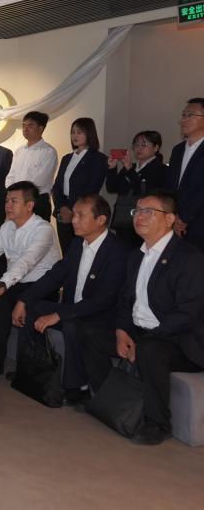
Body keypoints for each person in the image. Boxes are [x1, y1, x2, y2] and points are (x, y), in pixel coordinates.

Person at [80, 190, 204, 445]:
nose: (139, 216)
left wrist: (146, 338)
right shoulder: (136, 255)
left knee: (150, 350)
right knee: (88, 332)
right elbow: (126, 300)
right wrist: (121, 331)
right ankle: (109, 400)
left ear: (170, 219)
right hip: (140, 332)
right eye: (137, 211)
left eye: (149, 211)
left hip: (179, 340)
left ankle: (158, 423)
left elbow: (187, 314)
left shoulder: (189, 258)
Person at [11, 194, 127, 404]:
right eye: (74, 215)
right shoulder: (77, 244)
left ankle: (77, 387)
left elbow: (103, 300)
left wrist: (60, 314)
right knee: (32, 307)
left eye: (81, 216)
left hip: (100, 317)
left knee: (72, 324)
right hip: (72, 309)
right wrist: (24, 299)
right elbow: (55, 276)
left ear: (101, 220)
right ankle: (33, 370)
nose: (73, 220)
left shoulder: (117, 251)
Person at [0, 181, 61, 374]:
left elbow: (26, 262)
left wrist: (2, 285)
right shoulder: (7, 227)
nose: (7, 205)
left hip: (42, 285)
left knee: (3, 300)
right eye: (7, 200)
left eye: (14, 201)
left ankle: (11, 365)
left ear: (29, 205)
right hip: (17, 282)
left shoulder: (43, 229)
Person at [52, 117, 108, 252]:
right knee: (66, 251)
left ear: (89, 133)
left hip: (83, 212)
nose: (75, 136)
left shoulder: (98, 158)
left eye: (79, 132)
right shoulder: (67, 158)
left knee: (81, 251)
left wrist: (73, 210)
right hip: (63, 213)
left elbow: (93, 188)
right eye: (73, 132)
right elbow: (57, 186)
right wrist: (62, 207)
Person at [105, 130, 167, 248]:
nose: (139, 148)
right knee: (122, 251)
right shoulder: (131, 166)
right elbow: (112, 188)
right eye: (136, 145)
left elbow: (145, 192)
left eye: (144, 145)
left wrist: (129, 170)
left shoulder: (161, 169)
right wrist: (112, 168)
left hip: (145, 219)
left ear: (156, 148)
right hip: (123, 217)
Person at [6, 111, 58, 221]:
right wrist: (12, 194)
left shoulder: (48, 151)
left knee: (37, 231)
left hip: (37, 201)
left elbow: (41, 180)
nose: (25, 129)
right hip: (17, 201)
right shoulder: (19, 151)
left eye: (30, 126)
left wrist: (20, 194)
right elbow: (11, 175)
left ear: (40, 128)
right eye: (23, 125)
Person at [168, 98, 204, 251]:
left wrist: (184, 217)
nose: (183, 120)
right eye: (183, 115)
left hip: (199, 224)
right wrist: (173, 215)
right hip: (174, 222)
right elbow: (171, 186)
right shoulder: (177, 150)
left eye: (190, 115)